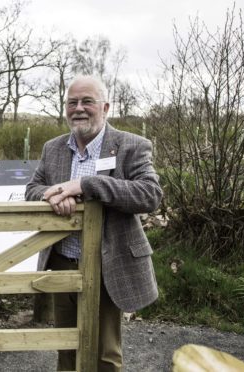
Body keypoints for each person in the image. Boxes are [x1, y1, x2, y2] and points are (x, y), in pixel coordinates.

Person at [25, 75, 162, 371]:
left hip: (108, 262)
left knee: (105, 354)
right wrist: (52, 195)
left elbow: (150, 194)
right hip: (62, 260)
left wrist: (86, 185)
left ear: (105, 107)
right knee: (67, 346)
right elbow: (32, 188)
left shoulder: (131, 146)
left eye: (87, 101)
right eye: (72, 102)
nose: (79, 108)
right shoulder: (53, 148)